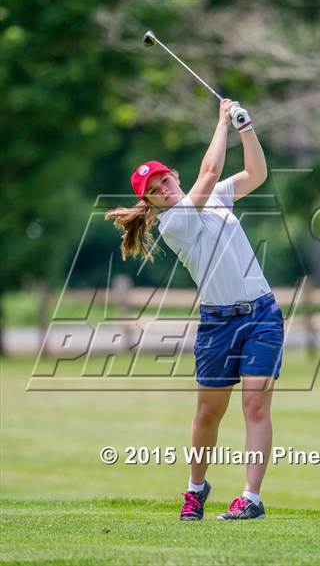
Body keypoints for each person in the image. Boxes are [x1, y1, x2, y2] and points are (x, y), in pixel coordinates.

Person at [106, 99, 284, 521]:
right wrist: (221, 122)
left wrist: (246, 128)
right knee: (209, 412)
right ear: (149, 202)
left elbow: (256, 175)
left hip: (261, 315)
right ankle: (196, 488)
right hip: (218, 325)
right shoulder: (176, 223)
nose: (164, 187)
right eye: (155, 189)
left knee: (255, 406)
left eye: (165, 178)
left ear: (174, 175)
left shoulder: (218, 198)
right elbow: (209, 172)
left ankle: (251, 498)